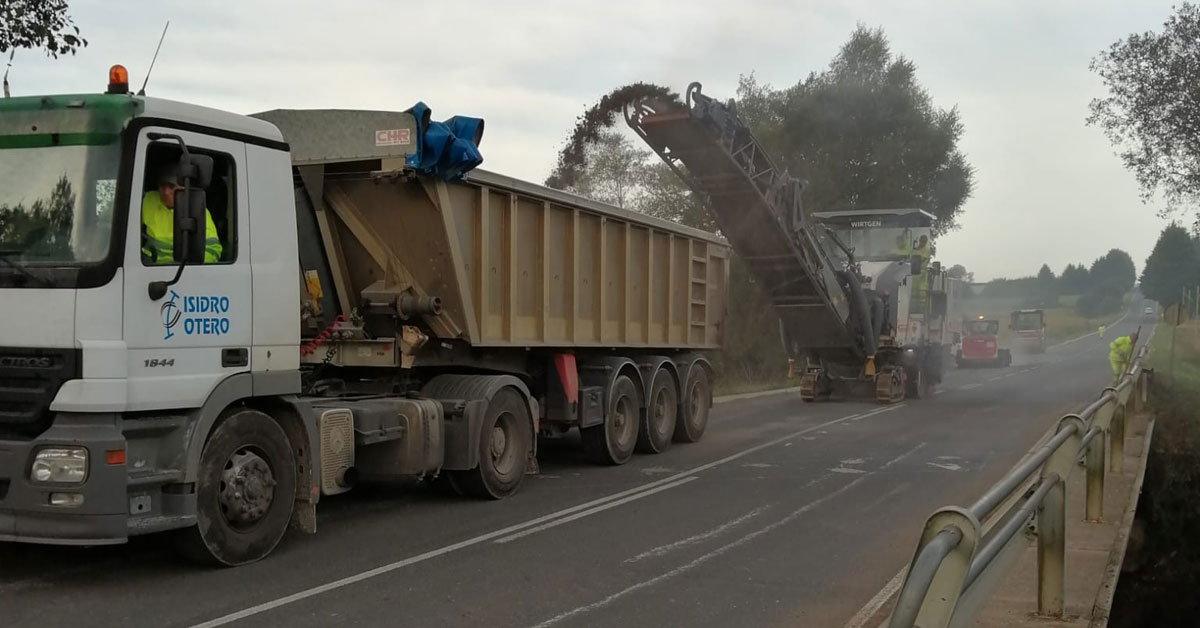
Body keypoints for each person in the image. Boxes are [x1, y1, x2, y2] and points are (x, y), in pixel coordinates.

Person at [141, 165, 222, 264]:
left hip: (179, 270)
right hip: (146, 264)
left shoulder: (196, 209)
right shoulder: (148, 199)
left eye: (171, 186)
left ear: (183, 188)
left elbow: (213, 249)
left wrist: (186, 266)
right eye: (162, 186)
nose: (166, 192)